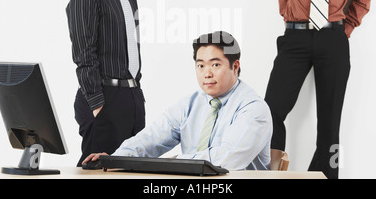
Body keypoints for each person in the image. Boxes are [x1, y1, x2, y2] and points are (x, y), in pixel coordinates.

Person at [264, 0, 372, 179]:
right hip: (295, 38)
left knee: (330, 121)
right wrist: (290, 17)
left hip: (333, 40)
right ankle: (269, 173)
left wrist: (344, 30)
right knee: (271, 110)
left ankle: (324, 176)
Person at [83, 31, 272, 170]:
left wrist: (176, 162)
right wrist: (115, 159)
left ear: (235, 66)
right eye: (200, 65)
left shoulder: (253, 110)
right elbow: (152, 138)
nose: (207, 73)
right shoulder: (191, 103)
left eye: (215, 64)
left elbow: (228, 158)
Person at [66, 0, 145, 167]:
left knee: (133, 169)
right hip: (103, 97)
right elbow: (83, 54)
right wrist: (97, 104)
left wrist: (136, 97)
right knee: (99, 170)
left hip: (131, 97)